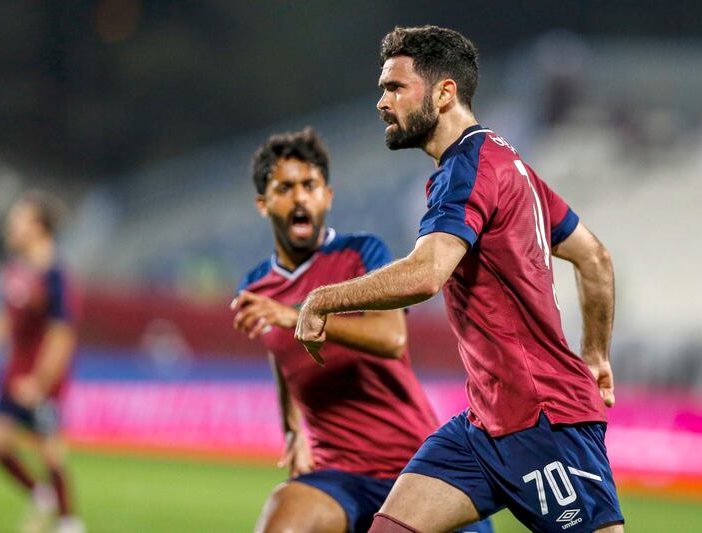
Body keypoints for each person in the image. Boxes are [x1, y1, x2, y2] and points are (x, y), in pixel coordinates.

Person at [295, 26, 624, 533]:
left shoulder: (467, 167)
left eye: (396, 87)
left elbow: (428, 273)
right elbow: (595, 259)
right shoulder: (509, 164)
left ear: (445, 92)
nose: (383, 102)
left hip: (544, 420)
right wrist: (596, 355)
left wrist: (324, 299)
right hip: (484, 426)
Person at [231, 128, 492, 533]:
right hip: (340, 474)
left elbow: (392, 339)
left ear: (327, 197)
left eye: (309, 185)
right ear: (264, 204)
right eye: (285, 188)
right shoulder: (255, 286)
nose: (300, 197)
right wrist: (291, 427)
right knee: (282, 520)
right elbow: (279, 352)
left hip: (416, 468)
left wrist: (293, 314)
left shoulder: (361, 253)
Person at [0, 191, 84, 533]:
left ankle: (69, 523)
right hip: (13, 372)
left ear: (37, 227)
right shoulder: (14, 268)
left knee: (50, 451)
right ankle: (41, 495)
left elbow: (62, 334)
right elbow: (5, 319)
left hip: (40, 378)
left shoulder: (55, 275)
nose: (11, 224)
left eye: (18, 218)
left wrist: (41, 381)